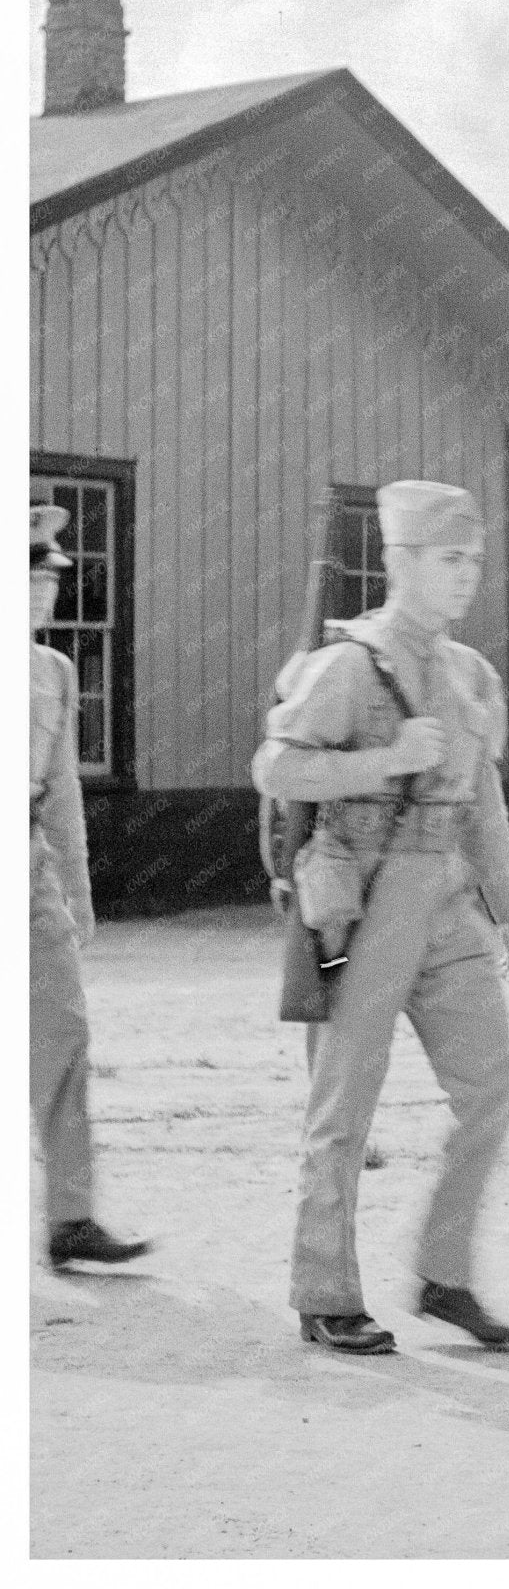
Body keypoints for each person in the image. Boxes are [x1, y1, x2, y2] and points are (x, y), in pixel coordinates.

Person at [251, 481, 509, 1355]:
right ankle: (325, 1290)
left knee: (493, 1089)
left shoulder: (471, 673)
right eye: (450, 561)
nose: (467, 578)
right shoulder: (349, 664)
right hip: (363, 903)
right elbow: (278, 768)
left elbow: (482, 794)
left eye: (475, 562)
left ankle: (444, 1275)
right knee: (345, 1107)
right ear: (401, 561)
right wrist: (386, 761)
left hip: (447, 905)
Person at [30, 500, 151, 1271]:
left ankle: (71, 1216)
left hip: (28, 866)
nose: (45, 589)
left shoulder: (54, 672)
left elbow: (62, 790)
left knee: (64, 1036)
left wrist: (77, 896)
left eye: (49, 577)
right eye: (30, 576)